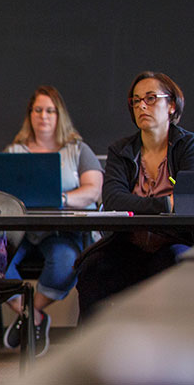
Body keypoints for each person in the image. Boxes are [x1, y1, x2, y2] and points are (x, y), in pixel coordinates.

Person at [76, 71, 194, 321]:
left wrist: (146, 205)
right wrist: (163, 204)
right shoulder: (121, 151)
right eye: (136, 100)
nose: (141, 105)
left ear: (171, 105)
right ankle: (91, 355)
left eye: (151, 98)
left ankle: (168, 356)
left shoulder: (188, 147)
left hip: (174, 242)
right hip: (129, 244)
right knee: (92, 269)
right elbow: (114, 199)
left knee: (174, 265)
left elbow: (187, 201)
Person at [0, 86, 103, 356]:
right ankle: (34, 316)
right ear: (30, 115)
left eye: (49, 110)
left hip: (62, 232)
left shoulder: (78, 150)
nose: (43, 116)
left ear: (59, 115)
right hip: (20, 233)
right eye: (38, 110)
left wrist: (61, 198)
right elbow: (0, 194)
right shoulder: (14, 152)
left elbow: (93, 190)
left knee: (66, 263)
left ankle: (28, 313)